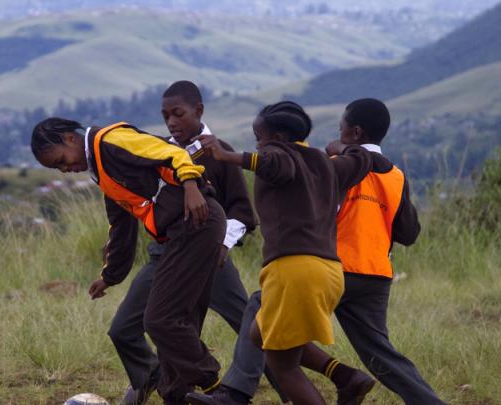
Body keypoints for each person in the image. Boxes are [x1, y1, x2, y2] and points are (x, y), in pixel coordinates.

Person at [112, 81, 286, 405]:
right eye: (165, 117)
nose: (171, 123)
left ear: (199, 111)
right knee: (126, 327)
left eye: (178, 114)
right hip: (164, 256)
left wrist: (221, 246)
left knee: (247, 323)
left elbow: (242, 212)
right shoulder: (160, 151)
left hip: (213, 258)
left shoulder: (218, 151)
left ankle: (288, 386)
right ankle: (153, 378)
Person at [188, 103, 372, 405]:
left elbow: (275, 163)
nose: (258, 143)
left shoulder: (280, 157)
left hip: (294, 270)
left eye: (260, 137)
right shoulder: (327, 164)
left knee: (283, 366)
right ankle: (346, 377)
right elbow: (361, 158)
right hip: (328, 271)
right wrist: (340, 146)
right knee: (259, 334)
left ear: (280, 137)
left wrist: (227, 156)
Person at [31, 117, 225, 404]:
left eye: (61, 160)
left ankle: (216, 389)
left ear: (70, 139)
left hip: (196, 221)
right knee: (179, 323)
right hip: (179, 234)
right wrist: (110, 276)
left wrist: (191, 185)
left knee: (160, 320)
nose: (65, 169)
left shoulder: (111, 141)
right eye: (58, 168)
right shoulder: (101, 170)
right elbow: (121, 228)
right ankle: (177, 395)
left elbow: (171, 152)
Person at [300, 98, 446, 405]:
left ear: (354, 132)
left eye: (341, 125)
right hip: (376, 276)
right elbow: (409, 234)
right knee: (380, 354)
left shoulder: (341, 166)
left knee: (266, 314)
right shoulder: (396, 176)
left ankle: (237, 390)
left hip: (333, 269)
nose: (337, 131)